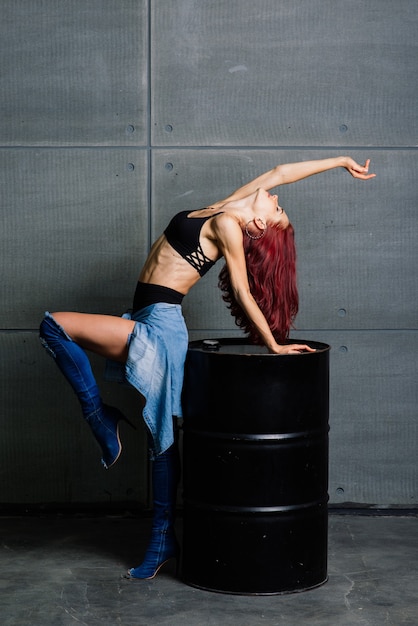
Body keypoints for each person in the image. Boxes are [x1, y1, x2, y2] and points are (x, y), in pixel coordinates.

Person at [39, 155, 375, 580]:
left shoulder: (230, 227)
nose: (274, 197)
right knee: (60, 333)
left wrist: (272, 343)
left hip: (161, 326)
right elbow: (279, 173)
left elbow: (240, 286)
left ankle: (160, 535)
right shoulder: (227, 208)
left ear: (259, 227)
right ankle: (102, 420)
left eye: (278, 208)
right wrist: (341, 161)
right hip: (144, 317)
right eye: (279, 202)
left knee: (160, 435)